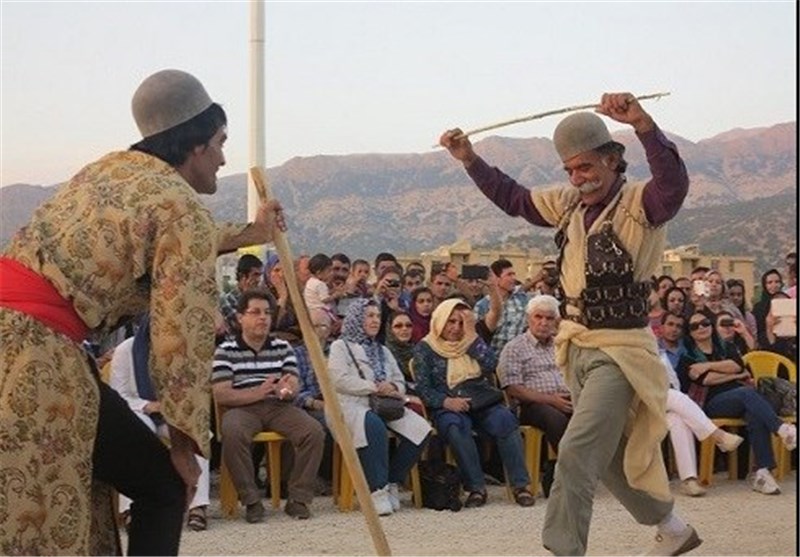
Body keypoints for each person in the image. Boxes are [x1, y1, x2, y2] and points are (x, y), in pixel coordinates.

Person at [0, 69, 285, 555]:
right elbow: (182, 338)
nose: (222, 157)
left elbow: (171, 235)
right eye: (219, 142)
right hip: (37, 360)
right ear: (195, 144)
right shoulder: (181, 208)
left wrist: (250, 233)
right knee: (163, 486)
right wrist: (183, 443)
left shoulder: (105, 173)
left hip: (22, 340)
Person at [440, 93, 697, 555]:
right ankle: (673, 528)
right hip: (576, 346)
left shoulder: (643, 203)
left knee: (577, 450)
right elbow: (514, 198)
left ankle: (563, 550)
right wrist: (470, 160)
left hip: (621, 352)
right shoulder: (568, 204)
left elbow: (674, 185)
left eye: (586, 167)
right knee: (611, 456)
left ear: (612, 159)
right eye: (571, 170)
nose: (578, 179)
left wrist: (643, 126)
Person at [413, 299, 535, 508]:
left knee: (505, 419)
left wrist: (471, 336)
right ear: (440, 321)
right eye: (451, 322)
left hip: (481, 400)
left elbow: (491, 364)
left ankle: (520, 486)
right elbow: (423, 388)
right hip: (448, 403)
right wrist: (446, 401)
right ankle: (476, 488)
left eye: (461, 323)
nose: (455, 328)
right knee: (455, 426)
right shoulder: (425, 348)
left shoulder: (471, 341)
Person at [327, 299, 431, 515]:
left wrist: (391, 386)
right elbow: (338, 380)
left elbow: (400, 380)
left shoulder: (382, 350)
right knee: (373, 425)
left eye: (377, 316)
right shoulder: (341, 346)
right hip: (351, 405)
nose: (375, 320)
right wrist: (373, 387)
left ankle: (392, 480)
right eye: (369, 316)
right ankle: (377, 490)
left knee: (421, 430)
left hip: (385, 404)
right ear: (357, 318)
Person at [108, 317, 211, 531]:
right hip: (137, 410)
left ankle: (197, 507)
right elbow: (118, 397)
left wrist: (175, 407)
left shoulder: (179, 351)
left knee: (195, 432)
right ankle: (131, 509)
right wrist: (148, 405)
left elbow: (191, 390)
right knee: (137, 433)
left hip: (171, 413)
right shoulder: (126, 350)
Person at [677, 312, 796, 495]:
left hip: (740, 399)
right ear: (689, 333)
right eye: (694, 326)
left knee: (755, 414)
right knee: (746, 393)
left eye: (705, 322)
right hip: (710, 403)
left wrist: (708, 365)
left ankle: (763, 473)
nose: (701, 327)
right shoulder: (687, 355)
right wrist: (734, 374)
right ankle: (781, 428)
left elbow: (737, 365)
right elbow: (706, 380)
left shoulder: (726, 346)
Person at [497, 294, 572, 498]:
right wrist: (551, 399)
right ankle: (571, 475)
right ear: (528, 318)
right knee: (554, 418)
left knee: (592, 415)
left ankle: (574, 472)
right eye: (538, 317)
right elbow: (513, 388)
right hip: (532, 404)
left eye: (549, 318)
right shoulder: (515, 347)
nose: (543, 323)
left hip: (566, 398)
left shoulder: (561, 344)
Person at [219, 254, 264, 338]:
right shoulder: (227, 299)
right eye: (255, 275)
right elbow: (243, 325)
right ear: (243, 276)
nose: (258, 280)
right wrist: (246, 296)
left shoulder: (260, 297)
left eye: (260, 275)